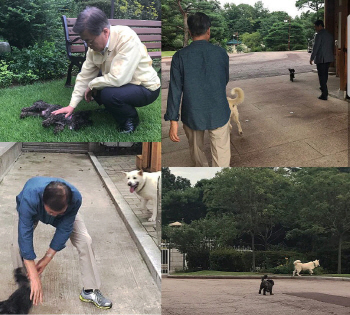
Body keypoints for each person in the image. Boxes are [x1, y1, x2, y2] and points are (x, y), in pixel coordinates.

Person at [53, 6, 161, 133]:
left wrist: (92, 84)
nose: (88, 45)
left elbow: (118, 78)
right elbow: (85, 75)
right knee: (98, 81)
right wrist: (71, 105)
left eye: (90, 40)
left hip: (146, 87)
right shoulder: (93, 48)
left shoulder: (127, 38)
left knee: (108, 93)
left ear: (105, 32)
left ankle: (130, 119)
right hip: (124, 83)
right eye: (85, 41)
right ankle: (112, 108)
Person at [12, 177, 112, 309]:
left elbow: (64, 229)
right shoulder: (29, 198)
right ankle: (25, 285)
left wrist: (47, 258)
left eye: (58, 213)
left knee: (85, 241)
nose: (53, 216)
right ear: (42, 202)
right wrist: (34, 273)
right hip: (31, 211)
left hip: (64, 215)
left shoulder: (75, 199)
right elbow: (24, 235)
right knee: (17, 244)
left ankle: (90, 290)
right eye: (50, 212)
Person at [164, 12, 231, 167]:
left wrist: (173, 121)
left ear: (189, 32)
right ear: (209, 30)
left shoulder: (179, 56)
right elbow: (224, 79)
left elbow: (175, 89)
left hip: (192, 112)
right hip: (219, 110)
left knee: (196, 151)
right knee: (221, 154)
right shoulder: (221, 53)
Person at [310, 20, 334, 101]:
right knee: (325, 75)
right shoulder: (329, 35)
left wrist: (312, 58)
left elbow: (315, 48)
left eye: (316, 27)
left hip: (321, 59)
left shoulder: (319, 35)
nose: (315, 28)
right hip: (329, 58)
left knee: (321, 76)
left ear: (320, 26)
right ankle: (323, 88)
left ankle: (324, 93)